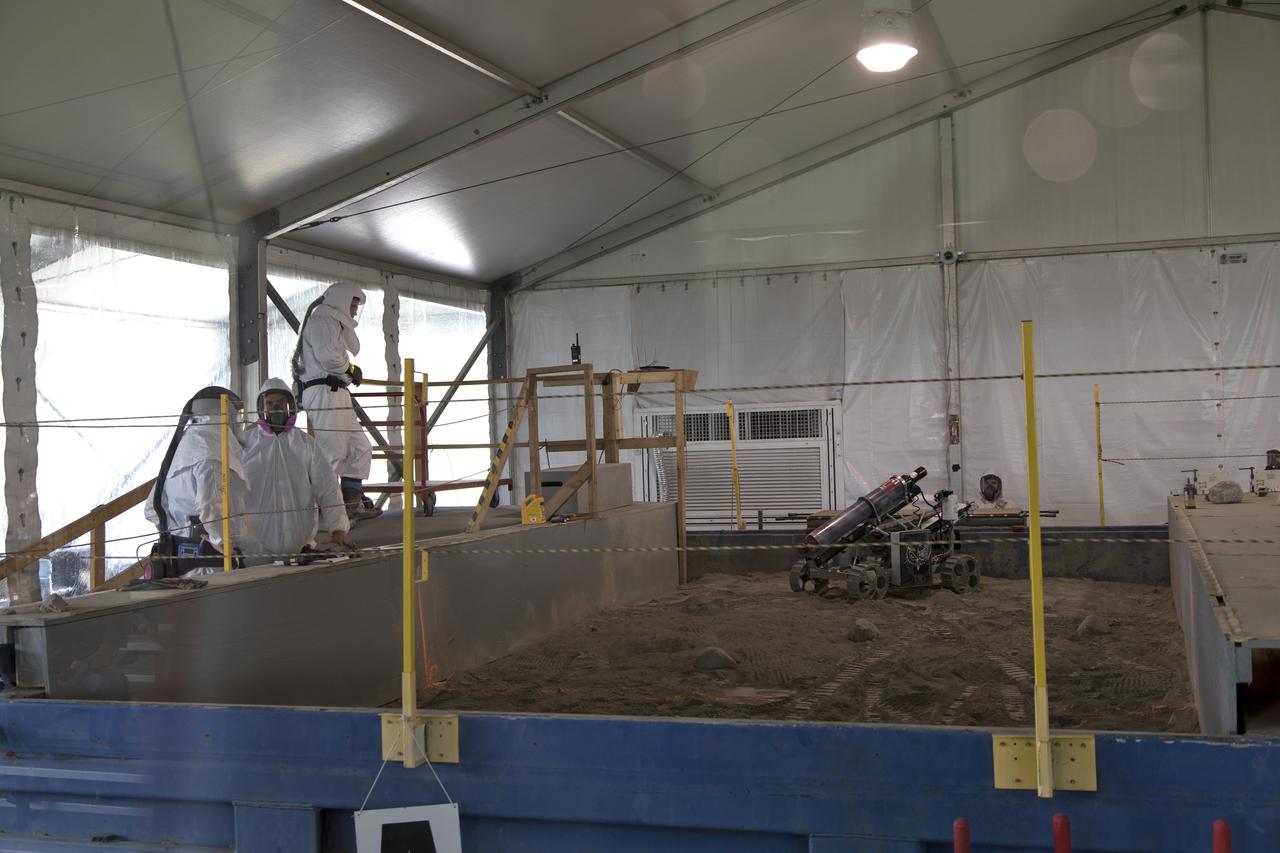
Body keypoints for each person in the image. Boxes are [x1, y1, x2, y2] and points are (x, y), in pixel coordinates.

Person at [291, 281, 379, 522]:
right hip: (324, 391)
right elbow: (329, 357)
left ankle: (349, 503)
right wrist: (350, 369)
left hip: (337, 391)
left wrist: (348, 372)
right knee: (333, 451)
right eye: (352, 304)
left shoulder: (332, 320)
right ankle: (322, 510)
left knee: (360, 448)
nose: (354, 310)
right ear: (340, 299)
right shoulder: (322, 319)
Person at [144, 386, 251, 577]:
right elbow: (209, 506)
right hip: (210, 566)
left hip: (181, 566)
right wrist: (221, 542)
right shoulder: (211, 450)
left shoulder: (183, 447)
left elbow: (151, 508)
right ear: (225, 411)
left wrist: (177, 532)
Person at [242, 378, 351, 561]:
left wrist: (338, 527)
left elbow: (328, 487)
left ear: (291, 406)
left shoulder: (305, 444)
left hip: (300, 547)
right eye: (269, 403)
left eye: (281, 403)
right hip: (255, 549)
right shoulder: (246, 444)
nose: (275, 408)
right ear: (261, 408)